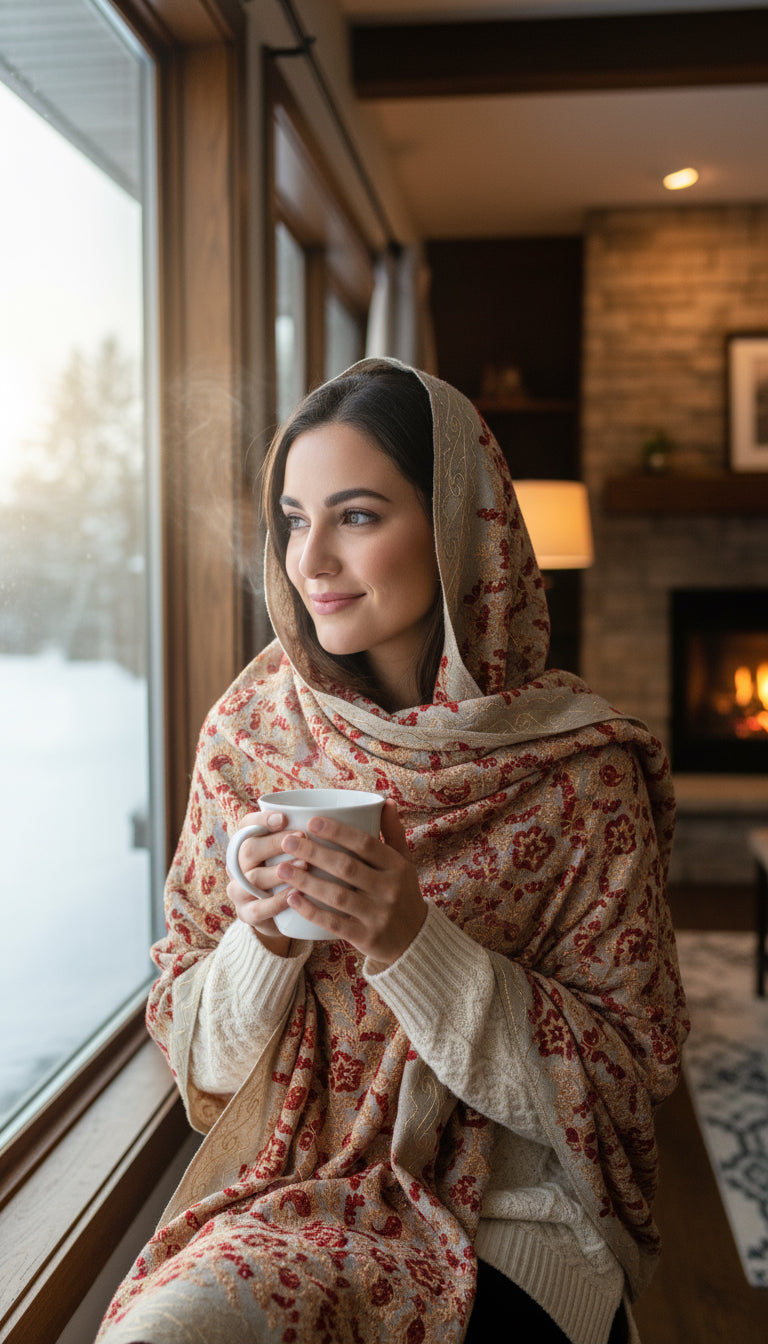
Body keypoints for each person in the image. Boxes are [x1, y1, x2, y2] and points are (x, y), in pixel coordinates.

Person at [96, 358, 688, 1344]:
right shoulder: (253, 732)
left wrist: (413, 939)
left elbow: (631, 1081)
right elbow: (194, 1054)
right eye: (293, 518)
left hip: (517, 1209)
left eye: (358, 515)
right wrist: (265, 939)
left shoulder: (580, 773)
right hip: (285, 1193)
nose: (310, 560)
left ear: (460, 530)